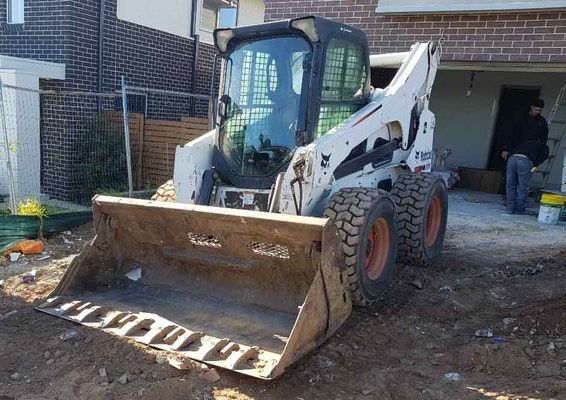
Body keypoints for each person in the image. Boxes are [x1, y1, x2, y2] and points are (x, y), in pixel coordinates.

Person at [501, 98, 549, 214]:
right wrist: (506, 149)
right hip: (515, 151)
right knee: (515, 183)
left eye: (540, 110)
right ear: (532, 107)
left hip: (527, 154)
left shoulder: (541, 122)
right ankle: (514, 205)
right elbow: (509, 133)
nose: (538, 112)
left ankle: (512, 207)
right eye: (536, 109)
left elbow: (544, 139)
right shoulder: (520, 118)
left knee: (516, 183)